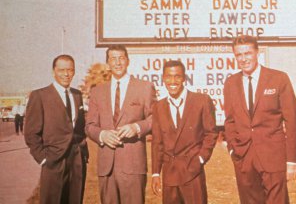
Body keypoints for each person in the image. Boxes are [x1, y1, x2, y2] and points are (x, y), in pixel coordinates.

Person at [223, 35, 296, 204]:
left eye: (247, 53)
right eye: (239, 55)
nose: (243, 59)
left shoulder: (278, 78)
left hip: (273, 157)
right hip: (244, 158)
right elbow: (229, 121)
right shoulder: (231, 83)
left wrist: (292, 160)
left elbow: (292, 121)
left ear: (257, 52)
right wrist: (233, 150)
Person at [86, 44, 156, 204]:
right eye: (113, 59)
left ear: (128, 61)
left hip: (133, 165)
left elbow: (155, 119)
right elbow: (89, 125)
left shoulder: (144, 87)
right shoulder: (97, 91)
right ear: (108, 63)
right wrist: (102, 135)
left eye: (121, 58)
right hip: (107, 167)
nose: (117, 63)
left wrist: (137, 127)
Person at [151, 60, 218, 204]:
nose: (173, 81)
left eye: (177, 76)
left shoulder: (201, 101)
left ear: (184, 78)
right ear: (163, 78)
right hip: (170, 174)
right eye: (168, 76)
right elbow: (157, 142)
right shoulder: (158, 107)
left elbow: (211, 133)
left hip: (193, 172)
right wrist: (156, 173)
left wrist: (200, 159)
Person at [24, 54, 88, 204]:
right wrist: (43, 158)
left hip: (77, 160)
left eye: (70, 70)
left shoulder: (77, 95)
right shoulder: (39, 95)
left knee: (75, 200)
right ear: (54, 71)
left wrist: (83, 153)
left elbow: (79, 128)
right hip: (53, 161)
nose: (66, 74)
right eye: (62, 70)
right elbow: (31, 133)